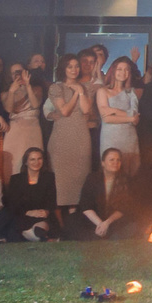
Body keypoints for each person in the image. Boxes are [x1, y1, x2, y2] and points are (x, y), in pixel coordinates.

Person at [44, 57, 95, 211]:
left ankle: (77, 214)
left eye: (76, 66)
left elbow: (86, 110)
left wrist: (81, 91)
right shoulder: (56, 87)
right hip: (62, 135)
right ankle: (60, 218)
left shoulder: (84, 87)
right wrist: (75, 94)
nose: (74, 70)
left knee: (81, 177)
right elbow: (64, 111)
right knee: (61, 182)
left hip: (81, 134)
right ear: (63, 69)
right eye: (70, 67)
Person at [75, 145, 141, 240]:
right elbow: (85, 205)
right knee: (74, 223)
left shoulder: (125, 180)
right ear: (103, 163)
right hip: (94, 219)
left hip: (114, 221)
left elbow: (124, 207)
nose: (115, 163)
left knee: (132, 226)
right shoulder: (92, 178)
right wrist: (100, 224)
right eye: (111, 160)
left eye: (118, 160)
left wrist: (107, 223)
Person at [3, 147, 59, 240]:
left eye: (39, 159)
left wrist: (46, 211)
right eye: (32, 159)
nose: (36, 162)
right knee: (15, 229)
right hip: (23, 216)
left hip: (43, 216)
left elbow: (52, 201)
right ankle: (38, 236)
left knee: (44, 224)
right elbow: (12, 204)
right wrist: (28, 212)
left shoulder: (49, 177)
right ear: (26, 162)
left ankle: (38, 234)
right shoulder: (16, 179)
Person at [96, 58, 141, 171]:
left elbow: (135, 117)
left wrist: (114, 110)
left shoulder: (131, 92)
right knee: (111, 170)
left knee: (131, 172)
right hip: (110, 138)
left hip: (129, 138)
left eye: (126, 69)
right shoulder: (103, 91)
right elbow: (106, 118)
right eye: (119, 69)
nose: (123, 72)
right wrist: (129, 118)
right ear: (113, 70)